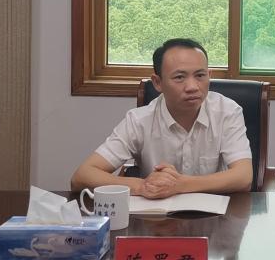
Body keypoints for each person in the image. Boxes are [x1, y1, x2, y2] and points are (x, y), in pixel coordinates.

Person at [71, 38, 253, 198]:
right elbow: (81, 176)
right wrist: (142, 186)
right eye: (179, 77)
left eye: (200, 75)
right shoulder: (139, 120)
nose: (192, 86)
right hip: (156, 216)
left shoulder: (227, 112)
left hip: (214, 217)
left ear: (209, 76)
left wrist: (180, 185)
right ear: (158, 83)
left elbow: (244, 177)